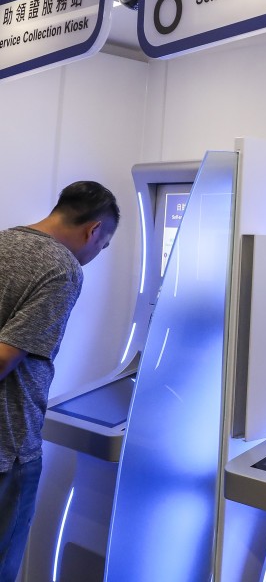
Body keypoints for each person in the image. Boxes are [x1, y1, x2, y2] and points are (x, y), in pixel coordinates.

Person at [0, 181, 119, 582]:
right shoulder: (60, 267)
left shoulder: (4, 242)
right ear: (94, 231)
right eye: (102, 249)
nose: (93, 257)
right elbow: (4, 359)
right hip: (8, 446)